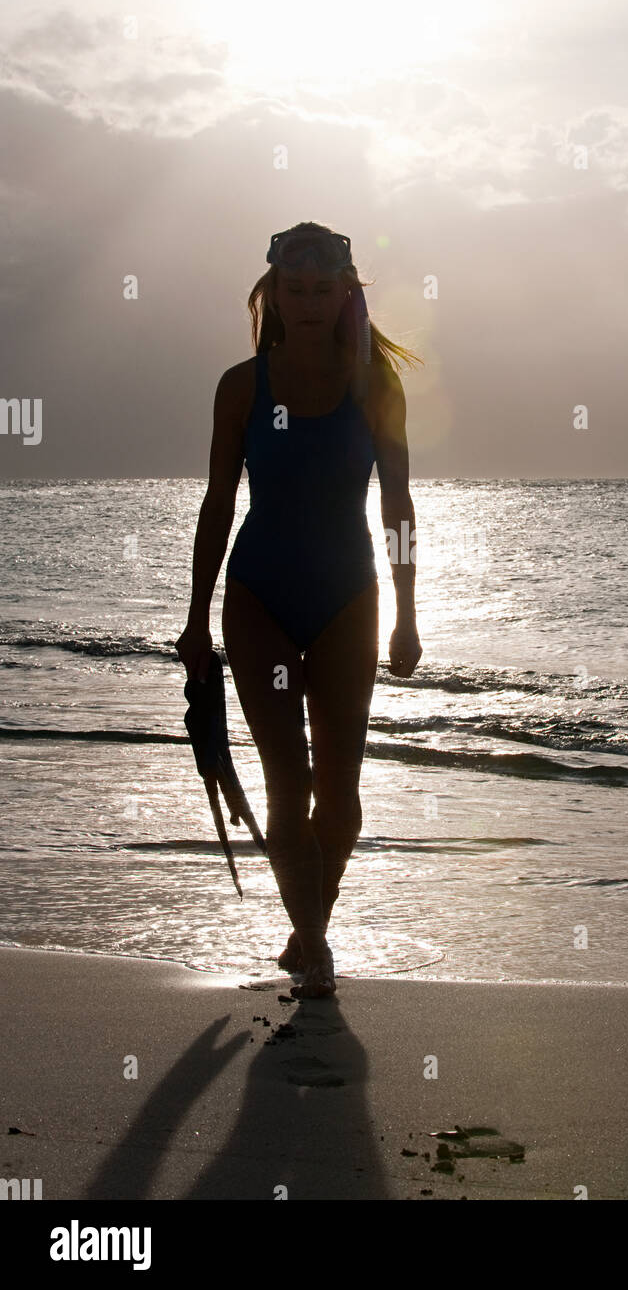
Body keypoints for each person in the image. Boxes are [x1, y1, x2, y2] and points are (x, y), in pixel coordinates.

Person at [174, 222, 423, 996]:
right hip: (257, 598)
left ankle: (308, 923)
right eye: (296, 289)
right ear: (273, 294)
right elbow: (219, 501)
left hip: (349, 596)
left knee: (340, 786)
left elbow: (399, 505)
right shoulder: (241, 386)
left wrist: (407, 612)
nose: (309, 303)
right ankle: (315, 945)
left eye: (324, 290)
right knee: (288, 780)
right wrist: (193, 617)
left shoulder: (375, 386)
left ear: (346, 292)